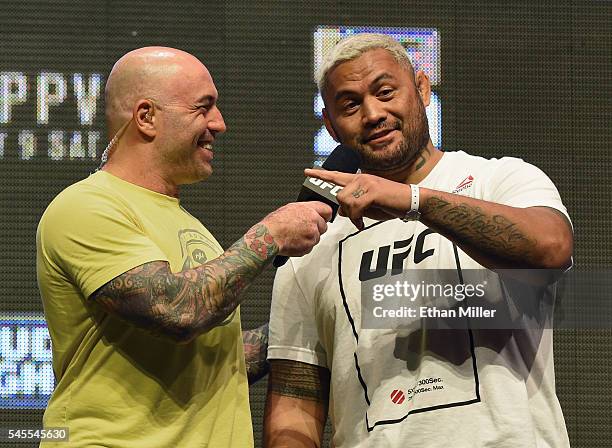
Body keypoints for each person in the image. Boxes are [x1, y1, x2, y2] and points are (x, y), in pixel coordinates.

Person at [264, 33, 573, 447]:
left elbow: (551, 247)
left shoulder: (498, 180)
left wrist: (412, 201)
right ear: (330, 125)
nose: (373, 113)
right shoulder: (311, 242)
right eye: (350, 104)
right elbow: (295, 401)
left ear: (423, 90)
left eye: (386, 92)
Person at [36, 47, 332, 447]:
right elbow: (178, 309)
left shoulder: (188, 223)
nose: (220, 123)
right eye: (203, 107)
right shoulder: (86, 206)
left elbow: (212, 358)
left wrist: (316, 326)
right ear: (146, 117)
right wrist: (271, 235)